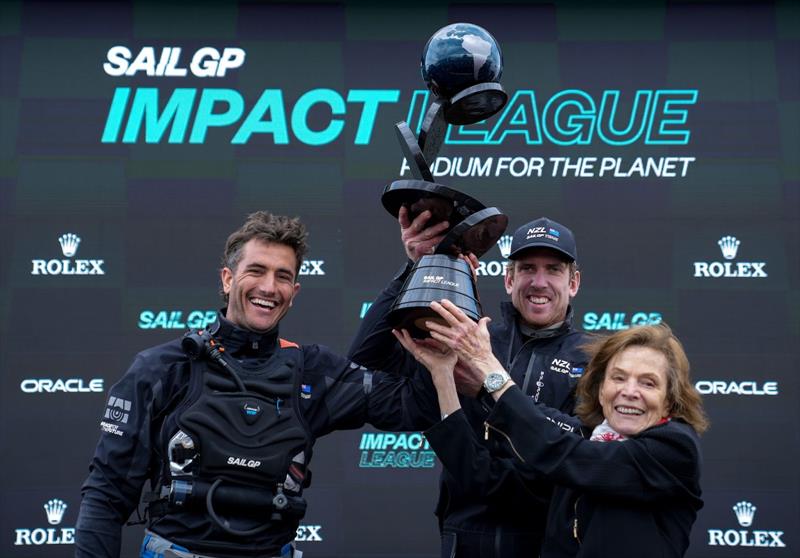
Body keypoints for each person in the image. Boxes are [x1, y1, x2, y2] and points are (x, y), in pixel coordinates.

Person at [75, 211, 439, 558]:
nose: (269, 287)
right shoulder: (161, 368)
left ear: (295, 291)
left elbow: (417, 403)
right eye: (256, 270)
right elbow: (106, 496)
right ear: (227, 279)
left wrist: (425, 269)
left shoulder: (312, 371)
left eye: (283, 276)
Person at [348, 209, 591, 556]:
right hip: (464, 538)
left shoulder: (596, 359)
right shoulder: (469, 338)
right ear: (509, 279)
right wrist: (416, 268)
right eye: (526, 269)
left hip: (546, 540)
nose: (539, 282)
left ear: (573, 283)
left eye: (553, 270)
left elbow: (581, 441)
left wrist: (488, 387)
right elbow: (366, 357)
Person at [396, 304, 708, 558]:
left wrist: (489, 369)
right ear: (600, 390)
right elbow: (486, 478)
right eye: (618, 378)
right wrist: (442, 378)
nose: (629, 391)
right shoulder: (587, 443)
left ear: (670, 401)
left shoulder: (674, 449)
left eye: (648, 382)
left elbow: (561, 453)